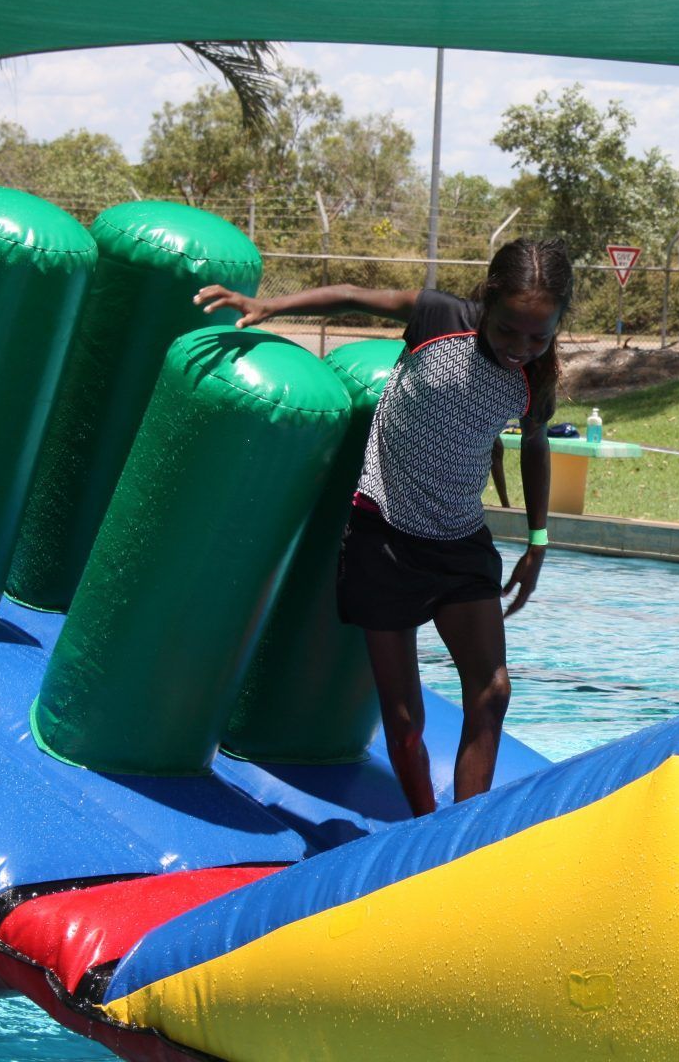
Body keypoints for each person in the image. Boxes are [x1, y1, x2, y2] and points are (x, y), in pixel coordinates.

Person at [193, 238, 569, 817]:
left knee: (492, 692)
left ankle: (460, 840)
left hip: (461, 541)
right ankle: (425, 828)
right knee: (403, 720)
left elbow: (536, 441)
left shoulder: (536, 372)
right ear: (486, 301)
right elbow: (352, 295)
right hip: (384, 535)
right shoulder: (439, 318)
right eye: (509, 330)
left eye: (538, 335)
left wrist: (537, 540)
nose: (522, 346)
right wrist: (269, 305)